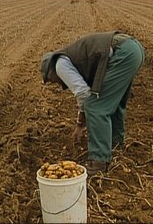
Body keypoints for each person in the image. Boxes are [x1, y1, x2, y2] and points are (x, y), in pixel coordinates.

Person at [40, 31, 145, 175]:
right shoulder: (68, 58)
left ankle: (98, 161)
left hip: (124, 53)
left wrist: (80, 123)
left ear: (50, 71)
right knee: (112, 102)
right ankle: (115, 143)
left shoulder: (59, 65)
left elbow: (83, 93)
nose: (56, 83)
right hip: (133, 49)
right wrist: (81, 123)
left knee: (96, 106)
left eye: (52, 80)